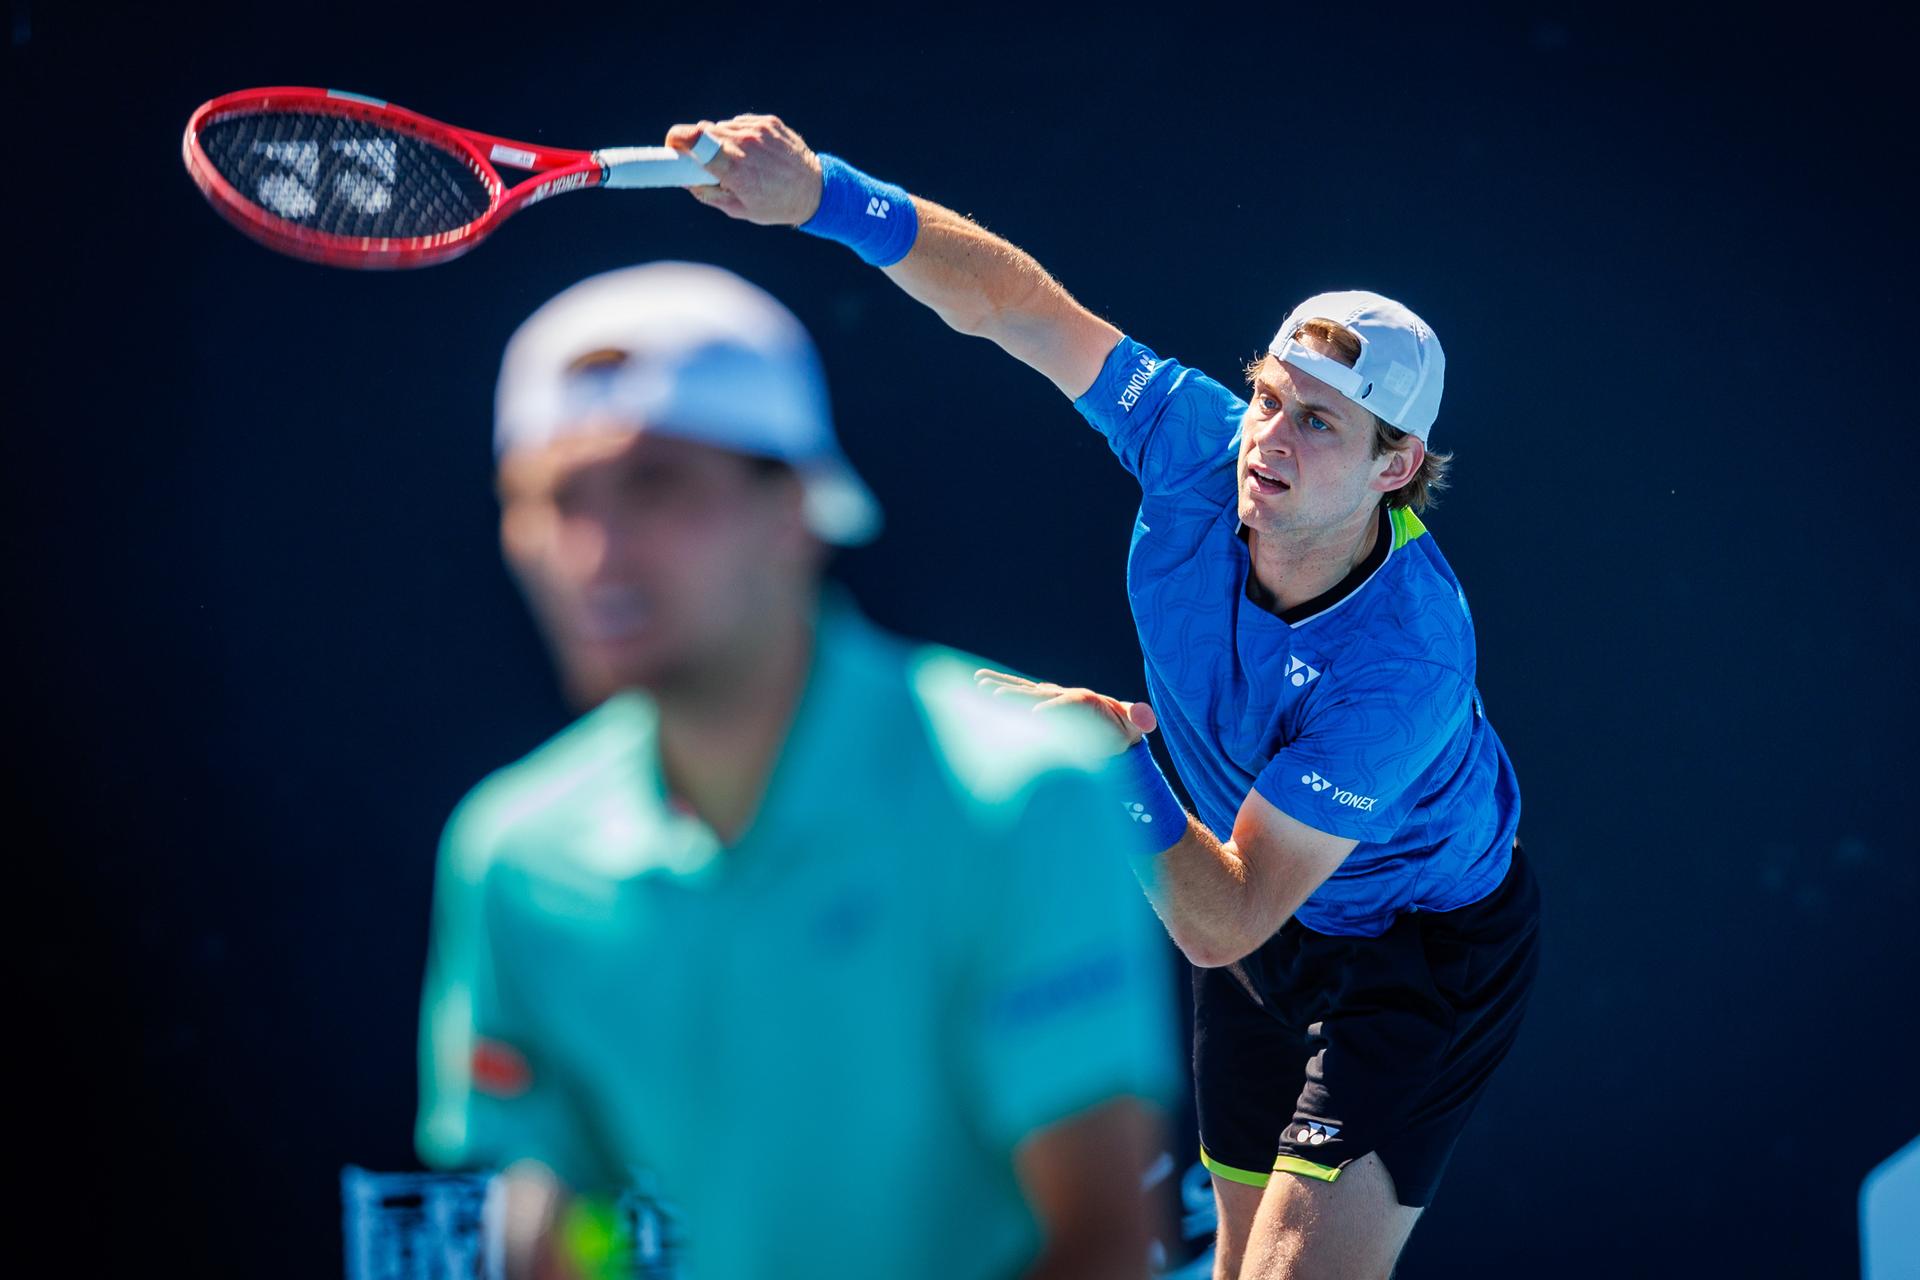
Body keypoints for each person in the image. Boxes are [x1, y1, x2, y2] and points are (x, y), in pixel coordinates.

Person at [664, 116, 1542, 1279]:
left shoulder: (1408, 659)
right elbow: (1015, 306)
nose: (1266, 439)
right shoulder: (1193, 441)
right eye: (1269, 396)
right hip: (1254, 910)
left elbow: (1222, 916)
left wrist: (1110, 762)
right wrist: (825, 193)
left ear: (1395, 465)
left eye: (1317, 422)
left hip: (1416, 954)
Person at [413, 261, 1179, 1280]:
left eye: (655, 482)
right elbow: (563, 1216)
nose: (592, 550)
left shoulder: (1029, 793)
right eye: (551, 498)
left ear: (795, 510)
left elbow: (1097, 1244)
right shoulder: (512, 853)